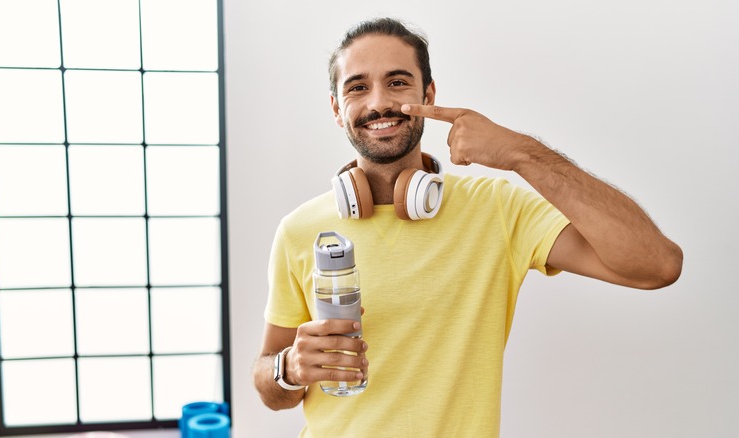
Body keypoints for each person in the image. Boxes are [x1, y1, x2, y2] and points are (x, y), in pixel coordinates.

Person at [252, 17, 683, 438]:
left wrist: (522, 153)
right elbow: (271, 386)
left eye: (398, 82)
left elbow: (657, 265)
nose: (378, 102)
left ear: (430, 93)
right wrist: (288, 369)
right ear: (336, 108)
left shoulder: (497, 208)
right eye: (358, 87)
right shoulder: (300, 231)